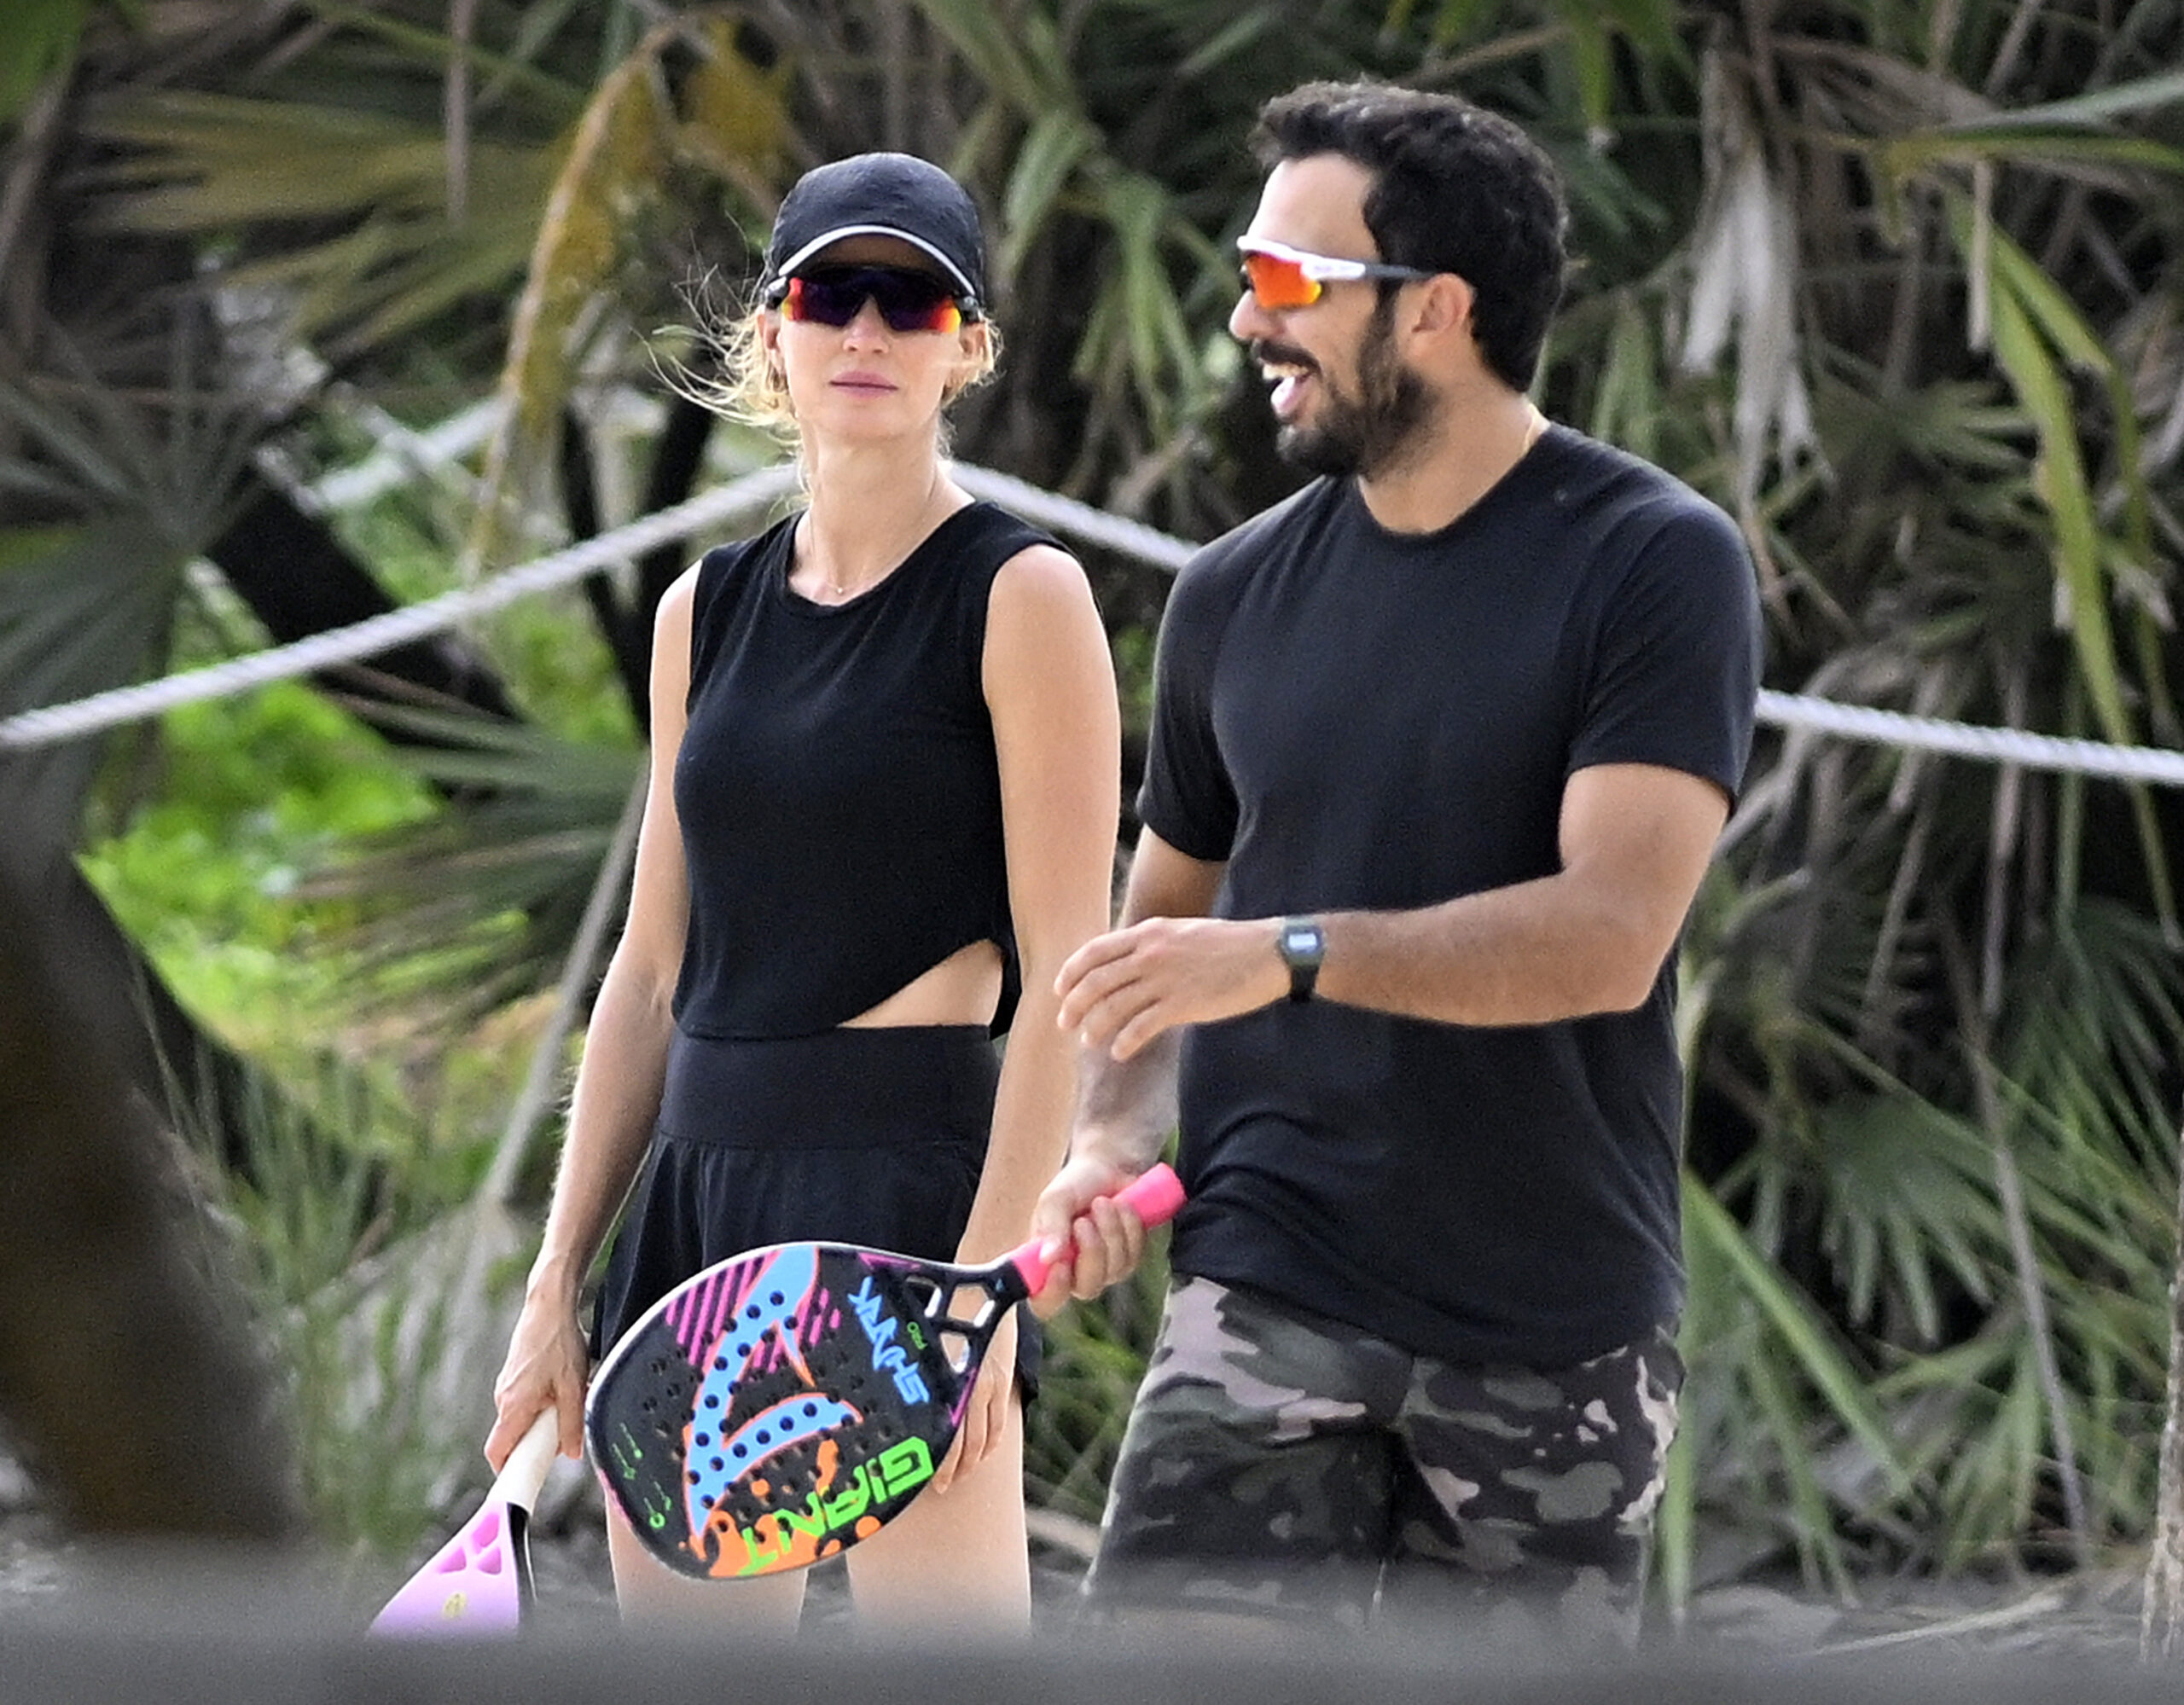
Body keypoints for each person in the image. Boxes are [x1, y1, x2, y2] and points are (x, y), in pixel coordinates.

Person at [1029, 80, 1762, 1650]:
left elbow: (1608, 935)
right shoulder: (1229, 596)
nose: (1246, 321)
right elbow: (1161, 942)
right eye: (1248, 271)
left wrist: (1287, 951)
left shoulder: (1654, 563)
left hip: (1550, 1326)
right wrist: (1106, 1138)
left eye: (1289, 282)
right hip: (1264, 1280)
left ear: (1434, 309)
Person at [486, 150, 1120, 1633]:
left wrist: (979, 1292)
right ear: (774, 327)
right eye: (835, 293)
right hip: (694, 1187)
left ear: (966, 345)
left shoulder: (1022, 597)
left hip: (905, 1198)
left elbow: (1066, 983)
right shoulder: (702, 610)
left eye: (912, 301)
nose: (868, 331)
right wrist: (554, 1280)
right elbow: (648, 975)